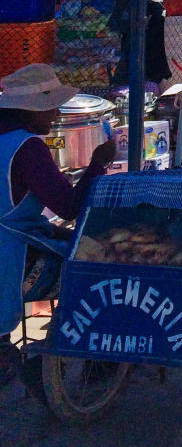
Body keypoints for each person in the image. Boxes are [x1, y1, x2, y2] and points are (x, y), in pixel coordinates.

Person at [0, 65, 116, 383]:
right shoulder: (28, 148)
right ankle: (97, 365)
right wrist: (98, 163)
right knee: (100, 273)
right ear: (30, 108)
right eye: (50, 107)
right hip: (12, 258)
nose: (54, 114)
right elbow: (68, 207)